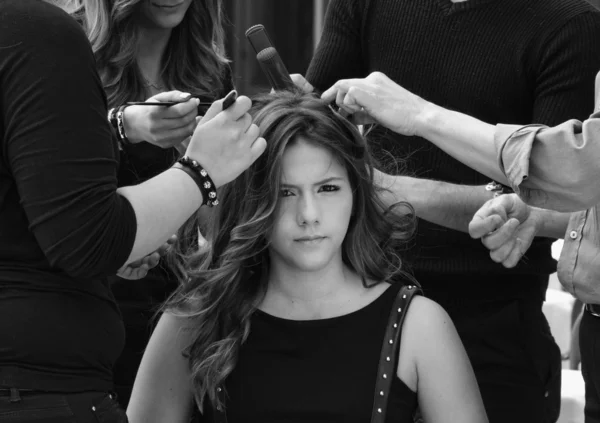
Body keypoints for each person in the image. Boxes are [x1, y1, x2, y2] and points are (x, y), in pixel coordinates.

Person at [294, 0, 600, 421]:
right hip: (359, 302)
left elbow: (556, 189)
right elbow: (312, 125)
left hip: (491, 328)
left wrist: (386, 182)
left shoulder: (571, 25)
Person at [126, 91, 489, 423]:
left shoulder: (419, 324)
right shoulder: (193, 320)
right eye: (285, 192)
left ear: (356, 195)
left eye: (328, 188)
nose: (309, 214)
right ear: (252, 200)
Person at [0, 1, 265, 422]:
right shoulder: (55, 42)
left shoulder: (211, 73)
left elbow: (222, 230)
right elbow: (78, 229)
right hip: (69, 343)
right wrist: (137, 134)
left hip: (166, 314)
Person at [58, 0, 234, 406]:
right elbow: (44, 160)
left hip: (179, 305)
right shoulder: (65, 43)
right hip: (83, 306)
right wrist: (124, 124)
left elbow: (215, 206)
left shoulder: (210, 68)